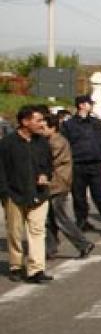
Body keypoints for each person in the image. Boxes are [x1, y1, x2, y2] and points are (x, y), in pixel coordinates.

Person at [2, 106, 54, 282]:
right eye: (38, 120)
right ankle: (16, 265)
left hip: (39, 195)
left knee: (37, 231)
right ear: (25, 122)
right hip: (15, 195)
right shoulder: (7, 144)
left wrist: (45, 174)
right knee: (15, 233)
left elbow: (49, 164)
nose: (42, 124)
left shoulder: (43, 142)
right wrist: (5, 193)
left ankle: (36, 269)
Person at [61, 95, 101, 233]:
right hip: (77, 164)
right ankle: (82, 222)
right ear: (81, 105)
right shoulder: (69, 125)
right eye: (89, 103)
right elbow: (65, 144)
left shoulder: (96, 123)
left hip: (95, 164)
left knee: (100, 195)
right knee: (79, 196)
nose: (91, 106)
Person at [42, 113, 94, 259]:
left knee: (60, 218)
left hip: (58, 184)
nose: (41, 130)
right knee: (50, 218)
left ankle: (83, 243)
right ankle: (50, 249)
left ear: (52, 128)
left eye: (43, 127)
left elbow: (48, 161)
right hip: (53, 184)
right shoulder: (50, 140)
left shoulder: (56, 142)